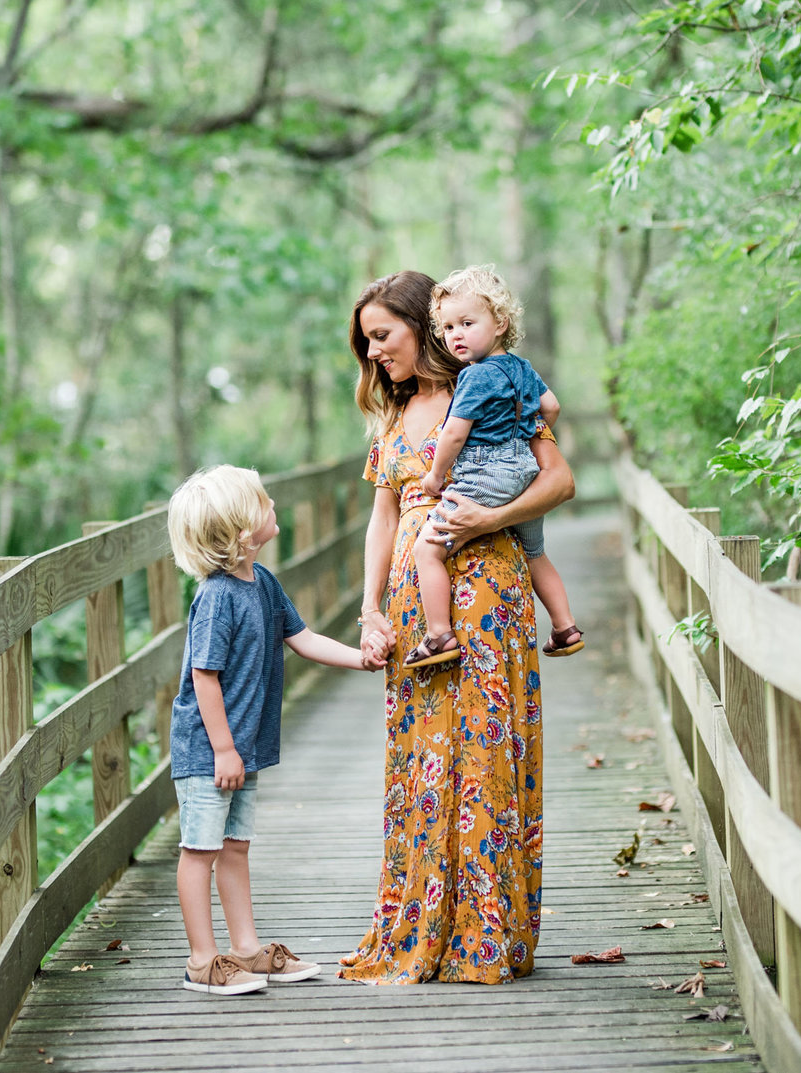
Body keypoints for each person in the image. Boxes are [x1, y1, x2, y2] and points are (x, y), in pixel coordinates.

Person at [337, 270, 574, 984]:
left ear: (422, 325)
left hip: (492, 601)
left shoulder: (495, 388)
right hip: (419, 621)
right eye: (367, 342)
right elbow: (383, 520)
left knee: (485, 757)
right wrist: (371, 607)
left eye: (384, 335)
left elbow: (559, 480)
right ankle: (426, 923)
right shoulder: (392, 417)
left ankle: (486, 933)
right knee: (427, 762)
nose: (375, 352)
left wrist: (491, 517)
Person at [164, 464, 380, 995]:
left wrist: (363, 660)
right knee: (200, 850)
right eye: (264, 502)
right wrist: (223, 750)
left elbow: (303, 638)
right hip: (209, 751)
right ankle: (201, 960)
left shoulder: (262, 582)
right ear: (242, 534)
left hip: (243, 747)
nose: (273, 506)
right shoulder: (216, 597)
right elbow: (203, 676)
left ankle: (246, 950)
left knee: (234, 847)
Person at [400, 265, 585, 667]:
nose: (456, 336)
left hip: (484, 475)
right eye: (448, 328)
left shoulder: (475, 377)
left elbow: (452, 435)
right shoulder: (523, 368)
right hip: (524, 469)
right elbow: (551, 407)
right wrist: (521, 439)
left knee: (427, 551)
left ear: (500, 323)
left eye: (467, 323)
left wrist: (434, 477)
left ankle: (438, 635)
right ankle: (565, 627)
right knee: (535, 552)